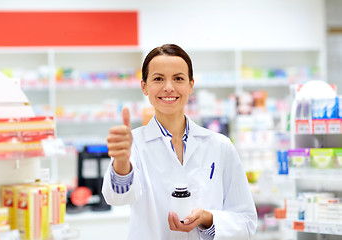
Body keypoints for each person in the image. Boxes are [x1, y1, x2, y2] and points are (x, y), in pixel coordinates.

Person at [102, 44, 257, 240]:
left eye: (178, 78)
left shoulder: (220, 146)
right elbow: (117, 198)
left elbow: (246, 222)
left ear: (190, 85)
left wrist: (208, 219)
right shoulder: (134, 144)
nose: (168, 87)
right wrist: (122, 163)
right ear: (144, 86)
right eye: (158, 78)